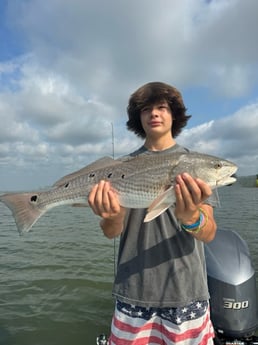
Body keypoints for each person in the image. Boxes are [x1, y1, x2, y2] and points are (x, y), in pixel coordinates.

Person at [89, 82, 217, 345]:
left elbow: (210, 233)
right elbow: (110, 232)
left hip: (186, 292)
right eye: (146, 109)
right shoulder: (120, 167)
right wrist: (112, 217)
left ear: (175, 115)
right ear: (139, 118)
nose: (154, 114)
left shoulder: (198, 165)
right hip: (133, 291)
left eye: (161, 107)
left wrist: (191, 218)